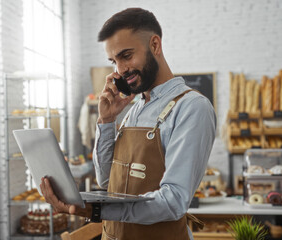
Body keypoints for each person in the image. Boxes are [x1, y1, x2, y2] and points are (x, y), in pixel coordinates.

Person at [40, 7, 216, 240]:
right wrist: (106, 120)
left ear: (155, 45)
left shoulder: (191, 107)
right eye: (114, 61)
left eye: (126, 56)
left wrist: (96, 210)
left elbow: (173, 201)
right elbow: (106, 181)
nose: (120, 70)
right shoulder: (135, 109)